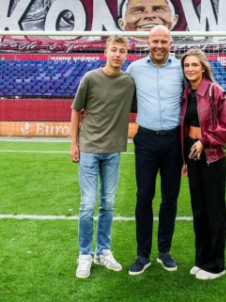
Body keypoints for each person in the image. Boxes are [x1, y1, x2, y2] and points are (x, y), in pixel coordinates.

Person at [70, 35, 136, 279]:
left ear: (126, 54)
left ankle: (103, 251)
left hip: (113, 151)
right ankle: (84, 254)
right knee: (88, 204)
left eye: (122, 51)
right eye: (114, 50)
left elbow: (142, 104)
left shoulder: (129, 82)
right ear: (105, 52)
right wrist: (73, 144)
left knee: (108, 203)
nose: (118, 54)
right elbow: (76, 111)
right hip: (88, 149)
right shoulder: (90, 78)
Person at [126, 25, 184, 275]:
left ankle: (164, 251)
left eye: (164, 41)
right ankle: (143, 254)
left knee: (170, 198)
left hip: (174, 141)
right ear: (147, 43)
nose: (159, 45)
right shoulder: (134, 69)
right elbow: (117, 94)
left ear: (170, 43)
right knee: (144, 195)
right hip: (146, 140)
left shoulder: (181, 68)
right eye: (154, 41)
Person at [179, 48, 226, 280]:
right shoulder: (186, 93)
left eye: (194, 64)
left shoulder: (215, 91)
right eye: (186, 65)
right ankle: (202, 260)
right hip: (193, 158)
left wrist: (204, 141)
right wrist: (185, 159)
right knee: (199, 211)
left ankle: (216, 265)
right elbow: (184, 128)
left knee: (215, 212)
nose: (190, 69)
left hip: (213, 157)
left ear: (203, 67)